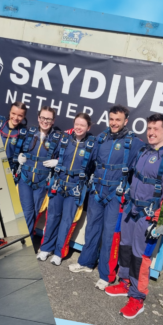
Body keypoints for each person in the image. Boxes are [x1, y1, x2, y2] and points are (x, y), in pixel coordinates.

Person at [105, 114, 163, 319]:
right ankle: (125, 283)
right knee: (125, 247)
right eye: (149, 128)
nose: (151, 133)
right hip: (130, 210)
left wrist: (157, 220)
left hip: (147, 215)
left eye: (156, 129)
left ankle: (137, 298)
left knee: (140, 256)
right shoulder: (144, 150)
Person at [68, 106, 144, 290]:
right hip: (96, 191)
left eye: (118, 120)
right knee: (92, 228)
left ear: (126, 121)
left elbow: (139, 174)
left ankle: (106, 275)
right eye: (111, 119)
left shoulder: (134, 143)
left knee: (110, 235)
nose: (114, 123)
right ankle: (86, 262)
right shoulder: (101, 138)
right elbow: (88, 163)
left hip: (116, 196)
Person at [39, 113, 95, 265]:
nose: (78, 127)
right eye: (76, 124)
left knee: (66, 221)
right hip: (59, 184)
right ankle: (45, 248)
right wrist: (56, 161)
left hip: (75, 189)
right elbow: (47, 149)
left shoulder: (93, 145)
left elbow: (98, 165)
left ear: (88, 127)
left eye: (82, 125)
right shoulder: (64, 140)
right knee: (52, 218)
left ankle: (58, 253)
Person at [16, 106, 63, 254]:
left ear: (53, 121)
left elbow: (66, 156)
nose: (45, 121)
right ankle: (24, 247)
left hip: (41, 183)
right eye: (43, 118)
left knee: (35, 213)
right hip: (25, 179)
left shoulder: (57, 139)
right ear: (38, 118)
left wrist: (58, 162)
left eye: (48, 119)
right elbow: (14, 149)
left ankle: (24, 243)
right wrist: (18, 157)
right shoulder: (28, 133)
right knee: (27, 213)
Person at [0, 101, 28, 179]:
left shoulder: (24, 133)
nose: (15, 118)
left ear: (24, 116)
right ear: (9, 112)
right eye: (13, 113)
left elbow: (28, 152)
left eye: (20, 115)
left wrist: (22, 156)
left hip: (9, 169)